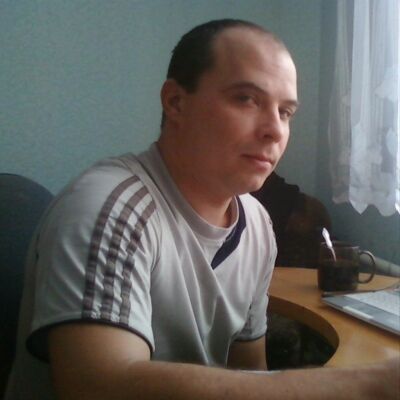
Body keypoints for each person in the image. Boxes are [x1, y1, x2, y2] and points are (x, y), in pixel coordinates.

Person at [5, 19, 399, 400]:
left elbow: (250, 375)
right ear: (175, 102)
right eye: (247, 99)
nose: (276, 130)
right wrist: (366, 387)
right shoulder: (111, 209)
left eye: (285, 112)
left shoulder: (257, 224)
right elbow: (98, 388)